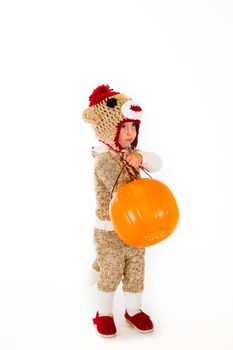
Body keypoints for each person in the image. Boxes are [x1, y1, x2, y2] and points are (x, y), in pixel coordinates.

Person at [82, 84, 162, 337]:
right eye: (123, 126)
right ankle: (103, 313)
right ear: (107, 128)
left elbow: (157, 164)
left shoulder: (131, 153)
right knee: (111, 272)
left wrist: (140, 156)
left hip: (136, 229)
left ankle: (133, 309)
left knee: (136, 270)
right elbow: (123, 192)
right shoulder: (104, 160)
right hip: (111, 232)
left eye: (133, 126)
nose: (130, 132)